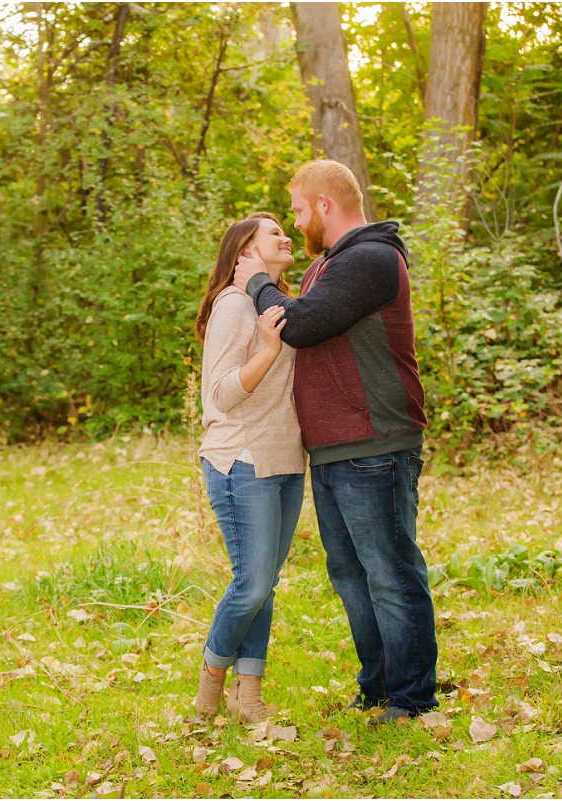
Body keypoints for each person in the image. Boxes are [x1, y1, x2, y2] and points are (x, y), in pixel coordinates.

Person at [233, 160, 438, 723]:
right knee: (350, 574)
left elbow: (296, 324)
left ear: (324, 205)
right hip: (332, 446)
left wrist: (252, 279)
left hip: (373, 440)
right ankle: (378, 686)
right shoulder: (327, 267)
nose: (297, 222)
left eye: (298, 210)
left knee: (390, 571)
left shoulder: (371, 258)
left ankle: (413, 698)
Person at [193, 212, 305, 724]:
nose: (286, 237)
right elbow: (221, 394)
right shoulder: (235, 306)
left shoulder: (277, 303)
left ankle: (249, 695)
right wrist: (270, 348)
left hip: (285, 458)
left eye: (286, 228)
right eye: (273, 233)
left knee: (265, 583)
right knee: (253, 583)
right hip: (240, 458)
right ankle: (212, 680)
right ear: (245, 255)